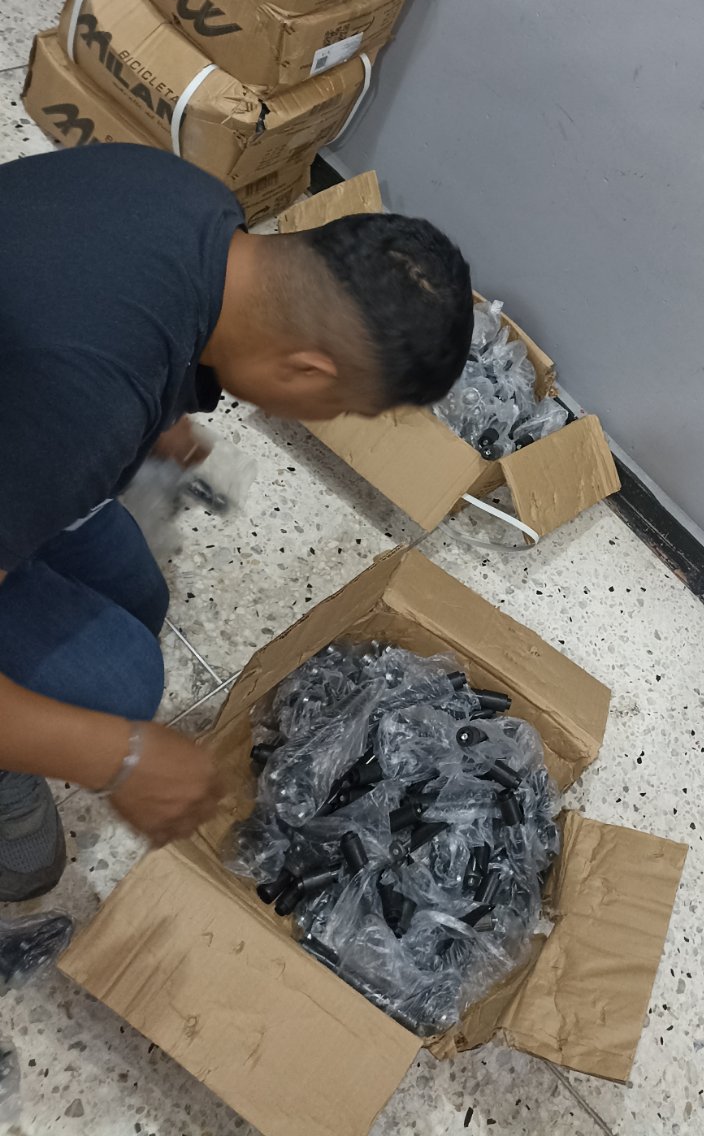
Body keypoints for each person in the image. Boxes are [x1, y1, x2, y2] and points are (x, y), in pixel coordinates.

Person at [0, 145, 473, 901]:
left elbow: (73, 295)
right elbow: (73, 377)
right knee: (119, 686)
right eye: (341, 406)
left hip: (32, 418)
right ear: (309, 369)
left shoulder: (195, 206)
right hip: (45, 418)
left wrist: (157, 412)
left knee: (140, 597)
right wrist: (116, 759)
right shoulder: (84, 399)